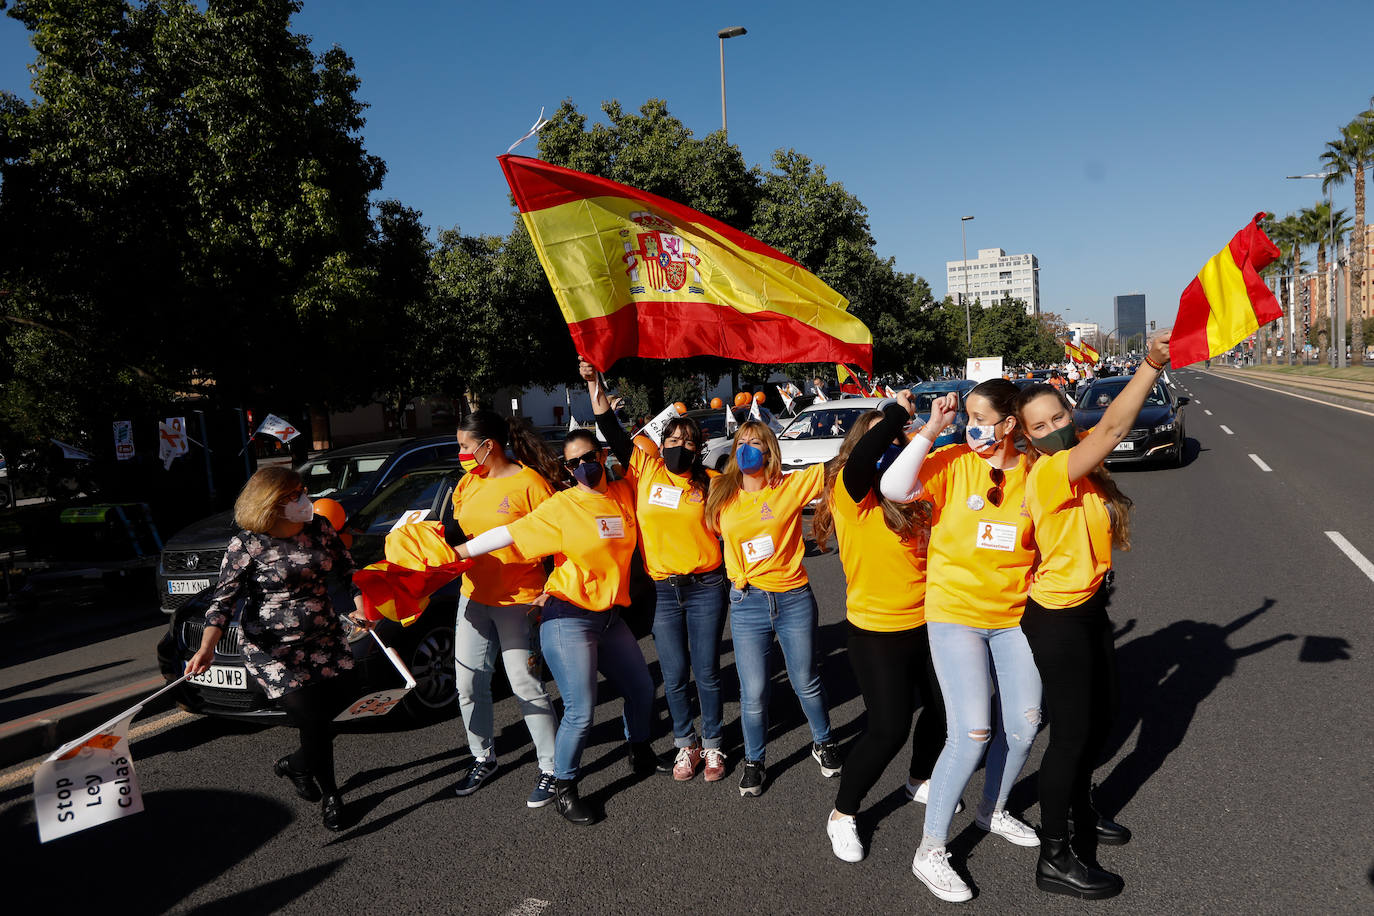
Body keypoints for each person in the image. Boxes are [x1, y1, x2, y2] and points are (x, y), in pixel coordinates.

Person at [1010, 331, 1172, 900]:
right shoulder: (1049, 472)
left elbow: (1100, 433)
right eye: (1039, 425)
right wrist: (1151, 364)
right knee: (1072, 737)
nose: (1053, 426)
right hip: (1057, 619)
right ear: (1027, 437)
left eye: (1058, 415)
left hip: (1090, 608)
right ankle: (1055, 857)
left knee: (1103, 717)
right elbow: (1112, 429)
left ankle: (1081, 810)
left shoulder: (1079, 463)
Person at [880, 379, 1042, 904]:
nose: (972, 427)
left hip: (1014, 617)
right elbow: (893, 488)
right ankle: (930, 849)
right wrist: (931, 429)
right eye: (968, 417)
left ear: (1009, 424)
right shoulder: (953, 462)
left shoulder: (1035, 472)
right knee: (972, 732)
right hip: (954, 615)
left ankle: (992, 809)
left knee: (1024, 725)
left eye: (981, 418)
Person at [455, 418, 659, 826]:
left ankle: (640, 749)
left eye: (589, 457)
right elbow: (509, 533)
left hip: (608, 616)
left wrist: (601, 401)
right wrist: (457, 552)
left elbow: (643, 454)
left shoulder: (623, 492)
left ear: (602, 455)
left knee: (641, 689)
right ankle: (564, 787)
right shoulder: (562, 506)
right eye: (573, 463)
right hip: (569, 618)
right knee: (581, 710)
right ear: (567, 469)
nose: (583, 466)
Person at [186, 467, 374, 831]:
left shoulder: (319, 528)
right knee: (311, 717)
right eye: (294, 494)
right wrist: (207, 647)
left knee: (336, 707)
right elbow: (222, 602)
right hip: (273, 649)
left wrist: (360, 606)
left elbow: (349, 571)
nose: (305, 499)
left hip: (324, 637)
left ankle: (297, 765)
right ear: (270, 503)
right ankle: (332, 795)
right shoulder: (247, 545)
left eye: (303, 491)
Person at [810, 395, 953, 864]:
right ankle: (843, 813)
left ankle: (919, 778)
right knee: (889, 729)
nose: (888, 445)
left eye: (894, 439)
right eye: (878, 438)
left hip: (929, 623)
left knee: (943, 712)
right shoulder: (851, 493)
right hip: (876, 632)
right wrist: (897, 414)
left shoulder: (909, 495)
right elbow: (864, 459)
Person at [581, 364, 728, 783]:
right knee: (674, 674)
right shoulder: (645, 469)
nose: (679, 446)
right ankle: (686, 744)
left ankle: (713, 743)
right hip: (663, 589)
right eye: (673, 440)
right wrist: (594, 383)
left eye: (687, 441)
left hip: (706, 587)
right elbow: (608, 425)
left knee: (707, 672)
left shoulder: (713, 482)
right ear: (661, 444)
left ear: (698, 448)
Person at [704, 420, 841, 797]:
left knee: (805, 680)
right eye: (741, 442)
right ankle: (754, 760)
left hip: (793, 598)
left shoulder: (788, 486)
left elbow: (836, 464)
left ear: (769, 451)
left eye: (755, 442)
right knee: (754, 692)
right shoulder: (721, 491)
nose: (747, 448)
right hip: (747, 602)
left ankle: (823, 741)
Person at [450, 410, 563, 807]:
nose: (461, 453)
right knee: (467, 684)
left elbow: (559, 537)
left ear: (488, 445)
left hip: (519, 600)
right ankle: (482, 757)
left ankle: (553, 767)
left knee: (525, 684)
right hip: (473, 596)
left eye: (465, 446)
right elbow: (459, 534)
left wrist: (552, 589)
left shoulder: (530, 483)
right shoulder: (468, 483)